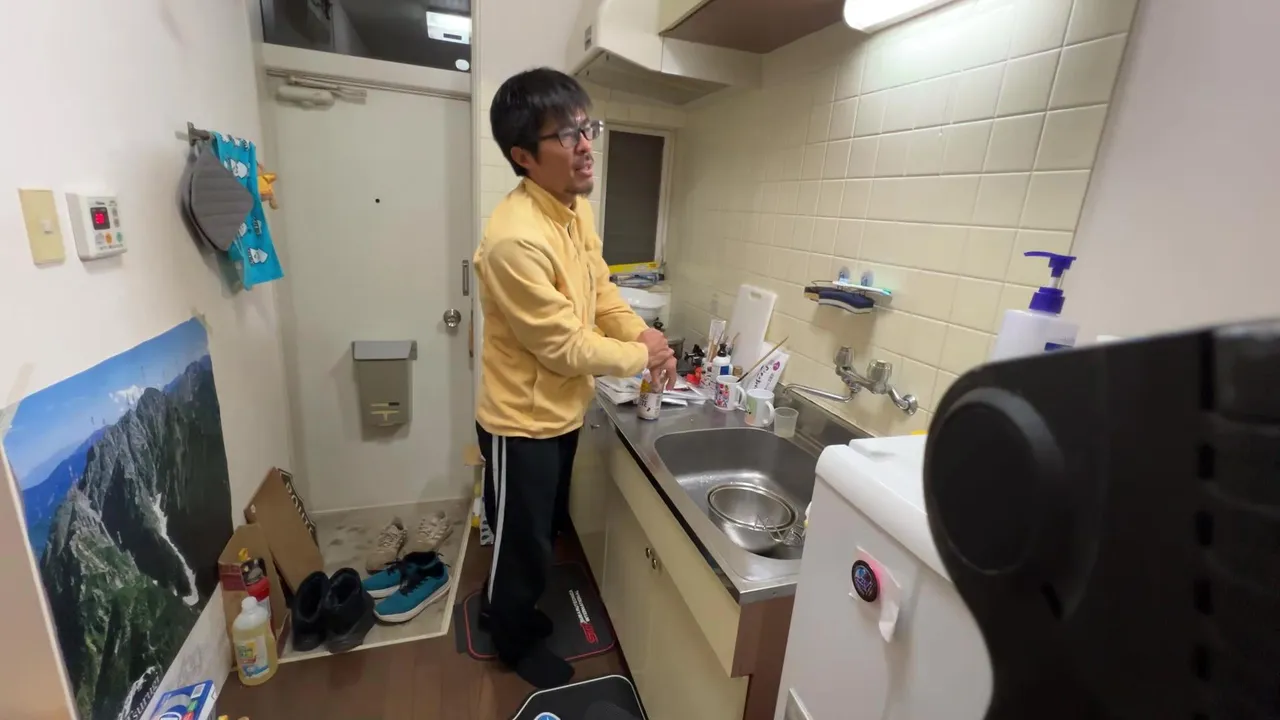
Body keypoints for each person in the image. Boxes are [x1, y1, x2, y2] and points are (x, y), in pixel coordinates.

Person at [473, 67, 676, 688]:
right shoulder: (514, 241)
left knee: (542, 530)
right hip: (519, 421)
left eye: (588, 128)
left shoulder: (573, 210)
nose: (586, 146)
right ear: (523, 156)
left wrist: (642, 337)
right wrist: (641, 356)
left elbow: (600, 289)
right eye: (566, 135)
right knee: (520, 540)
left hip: (561, 411)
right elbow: (562, 344)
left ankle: (512, 611)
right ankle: (510, 640)